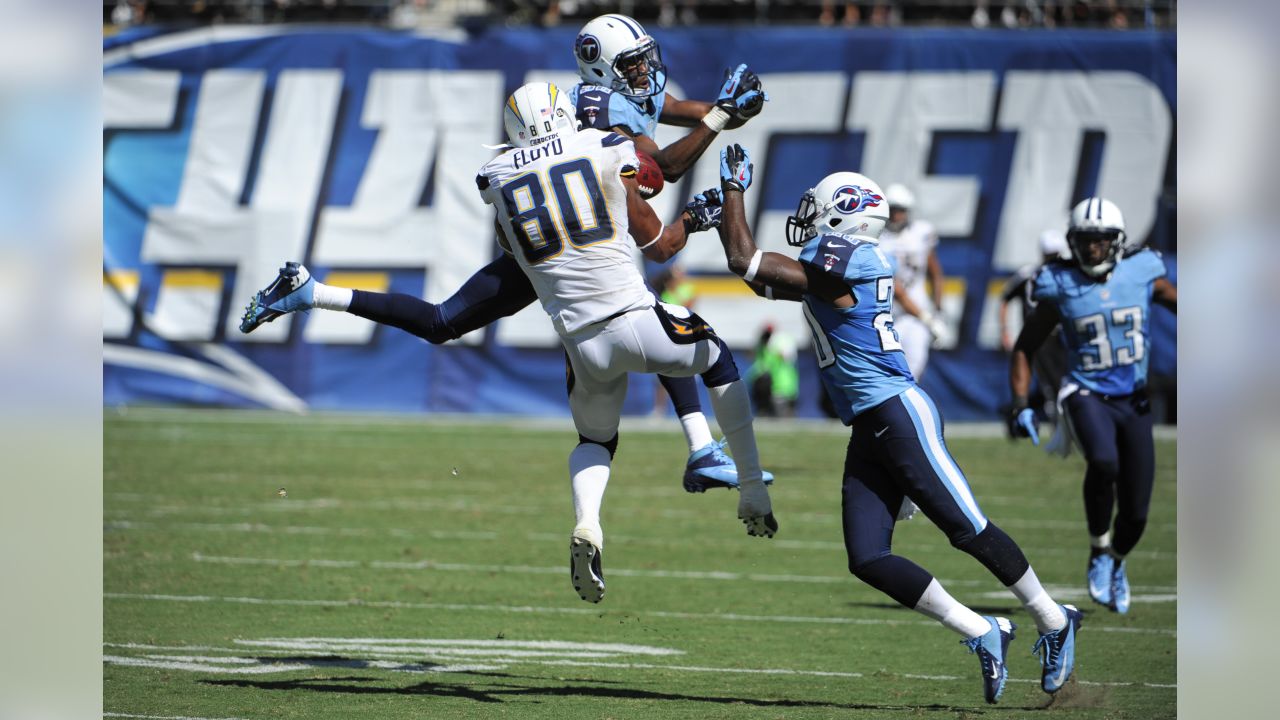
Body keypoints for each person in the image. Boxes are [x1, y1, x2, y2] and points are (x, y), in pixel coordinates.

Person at [239, 13, 770, 495]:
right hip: (575, 233)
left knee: (445, 321)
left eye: (645, 59)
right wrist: (719, 120)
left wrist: (734, 107)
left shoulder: (629, 97)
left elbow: (694, 115)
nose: (645, 72)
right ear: (600, 68)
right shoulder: (596, 106)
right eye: (632, 64)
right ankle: (701, 449)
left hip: (552, 236)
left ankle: (313, 292)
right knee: (646, 312)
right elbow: (667, 165)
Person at [706, 146, 1081, 704]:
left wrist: (733, 192)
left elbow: (747, 261)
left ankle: (1053, 619)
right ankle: (983, 630)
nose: (807, 216)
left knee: (967, 528)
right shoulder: (838, 264)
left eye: (818, 207)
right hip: (870, 424)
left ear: (844, 214)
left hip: (899, 413)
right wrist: (724, 220)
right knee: (868, 557)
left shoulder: (850, 257)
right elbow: (760, 278)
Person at [483, 83, 776, 602]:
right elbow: (661, 216)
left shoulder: (498, 177)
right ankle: (750, 487)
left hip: (580, 343)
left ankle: (588, 524)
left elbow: (512, 243)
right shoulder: (607, 149)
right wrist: (694, 208)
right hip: (634, 319)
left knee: (596, 440)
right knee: (717, 358)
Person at [1008, 197, 1177, 615]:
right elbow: (1025, 346)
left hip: (1134, 400)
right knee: (1104, 462)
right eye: (1085, 241)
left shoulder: (1143, 272)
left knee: (1137, 513)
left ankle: (1115, 560)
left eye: (1101, 241)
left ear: (1118, 242)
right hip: (1085, 392)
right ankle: (1100, 548)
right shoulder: (1056, 283)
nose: (1093, 249)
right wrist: (1020, 404)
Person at [999, 229, 1071, 448]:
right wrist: (1005, 330)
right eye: (1050, 255)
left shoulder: (1069, 275)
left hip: (1063, 336)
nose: (1054, 259)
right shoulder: (1030, 274)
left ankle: (1010, 413)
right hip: (1039, 337)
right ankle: (1060, 433)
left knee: (1059, 385)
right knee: (1052, 387)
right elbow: (1005, 298)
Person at [877, 183, 947, 381]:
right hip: (888, 314)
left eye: (901, 210)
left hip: (917, 313)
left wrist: (938, 309)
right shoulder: (878, 238)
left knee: (914, 370)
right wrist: (928, 319)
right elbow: (896, 289)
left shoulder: (922, 232)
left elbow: (935, 271)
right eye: (893, 209)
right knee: (889, 372)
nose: (897, 215)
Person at [746, 323, 799, 418]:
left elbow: (786, 356)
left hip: (782, 389)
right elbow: (752, 358)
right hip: (768, 390)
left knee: (783, 417)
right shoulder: (762, 348)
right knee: (767, 415)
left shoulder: (781, 342)